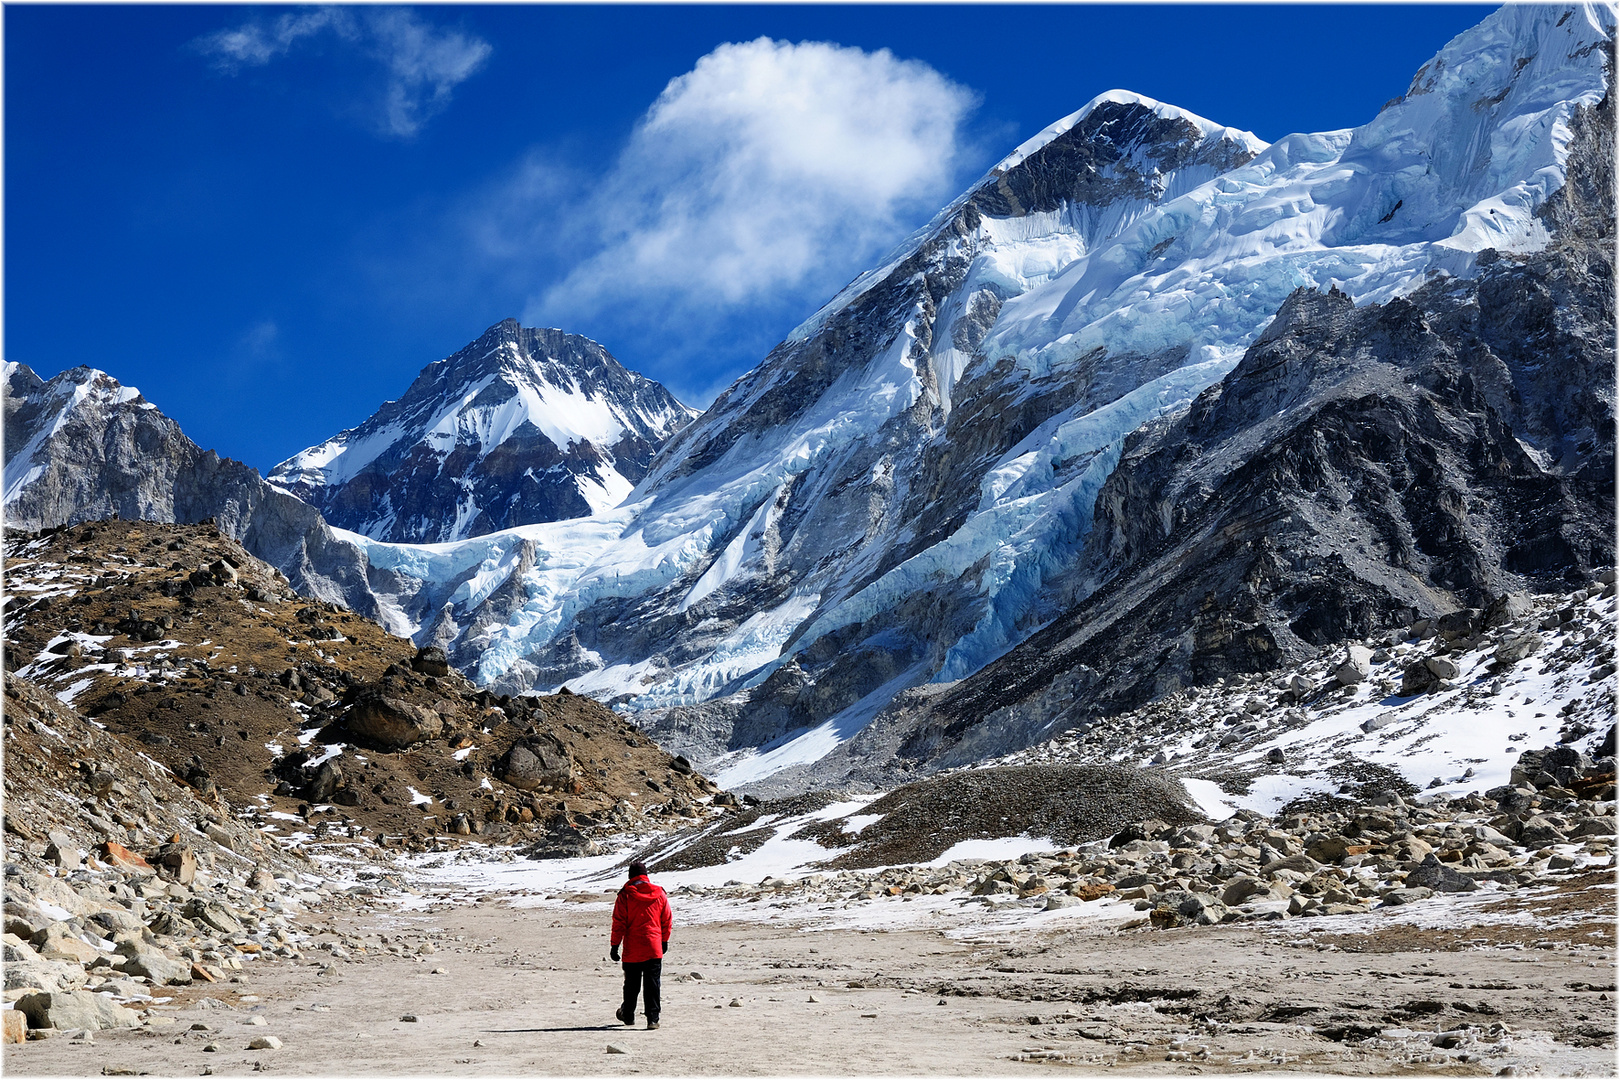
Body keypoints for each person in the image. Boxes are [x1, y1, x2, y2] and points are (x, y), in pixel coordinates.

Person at [610, 861, 672, 1030]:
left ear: (630, 876)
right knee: (653, 984)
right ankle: (652, 1019)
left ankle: (628, 1015)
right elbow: (666, 920)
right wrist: (664, 940)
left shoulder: (625, 895)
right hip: (653, 946)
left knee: (631, 984)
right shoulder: (659, 894)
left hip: (633, 948)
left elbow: (619, 923)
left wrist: (615, 945)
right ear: (646, 875)